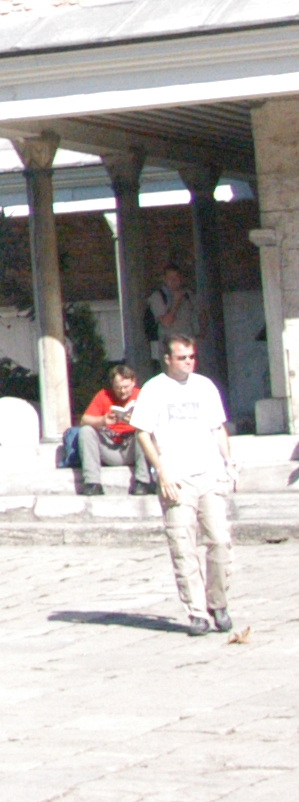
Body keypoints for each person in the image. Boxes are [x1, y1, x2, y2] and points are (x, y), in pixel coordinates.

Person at [129, 337, 234, 635]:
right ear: (167, 359)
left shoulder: (204, 386)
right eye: (182, 357)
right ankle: (197, 612)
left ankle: (218, 603)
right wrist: (161, 471)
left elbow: (217, 427)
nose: (189, 362)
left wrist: (229, 462)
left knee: (220, 541)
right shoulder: (154, 389)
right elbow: (143, 433)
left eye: (191, 356)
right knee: (183, 545)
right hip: (176, 476)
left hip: (209, 471)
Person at [57, 363, 153, 495]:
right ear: (112, 385)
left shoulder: (143, 396)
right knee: (86, 431)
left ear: (133, 382)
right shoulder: (103, 395)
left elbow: (156, 424)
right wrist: (102, 420)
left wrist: (136, 421)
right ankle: (92, 483)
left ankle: (142, 482)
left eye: (126, 387)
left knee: (143, 433)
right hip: (109, 447)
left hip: (133, 448)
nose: (122, 391)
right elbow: (84, 420)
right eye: (118, 388)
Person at [144, 263, 203, 363]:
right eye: (170, 278)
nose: (174, 281)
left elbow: (201, 315)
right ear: (164, 279)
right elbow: (166, 323)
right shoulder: (158, 297)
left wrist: (199, 332)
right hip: (170, 350)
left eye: (176, 278)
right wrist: (176, 303)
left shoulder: (189, 295)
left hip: (188, 346)